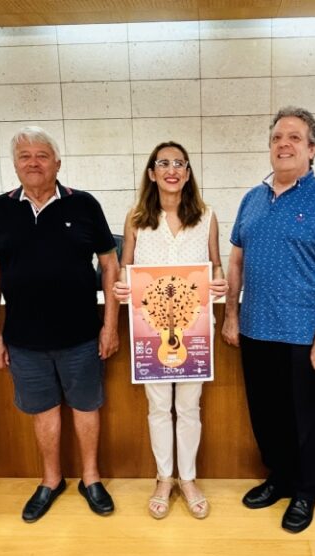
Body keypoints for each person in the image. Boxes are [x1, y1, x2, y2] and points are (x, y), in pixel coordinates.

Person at [221, 106, 315, 533]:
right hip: (255, 329)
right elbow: (236, 261)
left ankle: (305, 489)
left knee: (302, 418)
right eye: (278, 137)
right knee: (265, 413)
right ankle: (278, 478)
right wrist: (230, 316)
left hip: (302, 333)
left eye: (295, 137)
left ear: (312, 149)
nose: (284, 144)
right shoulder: (252, 199)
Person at [0, 126, 120, 522]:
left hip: (81, 336)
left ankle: (91, 478)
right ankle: (51, 479)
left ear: (57, 163)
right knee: (43, 411)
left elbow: (110, 265)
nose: (33, 162)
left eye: (42, 155)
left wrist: (110, 325)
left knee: (86, 407)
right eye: (25, 156)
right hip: (23, 339)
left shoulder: (84, 205)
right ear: (14, 165)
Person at [112, 141, 227, 520]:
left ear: (188, 173)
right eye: (164, 163)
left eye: (179, 163)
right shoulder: (136, 218)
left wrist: (220, 282)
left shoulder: (206, 216)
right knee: (159, 406)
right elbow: (125, 270)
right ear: (152, 173)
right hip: (150, 328)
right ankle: (164, 478)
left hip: (194, 327)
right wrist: (122, 288)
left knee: (189, 406)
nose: (172, 169)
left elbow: (215, 267)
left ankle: (188, 478)